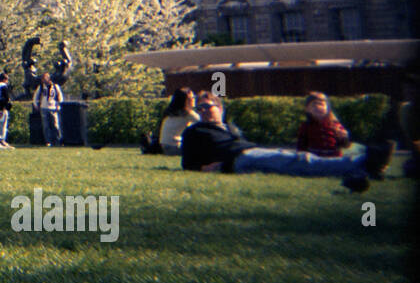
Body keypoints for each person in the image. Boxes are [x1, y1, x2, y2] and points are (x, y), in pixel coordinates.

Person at [181, 92, 391, 191]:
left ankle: (361, 172)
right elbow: (188, 164)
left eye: (208, 106)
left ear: (221, 108)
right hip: (238, 159)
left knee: (289, 162)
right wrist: (207, 167)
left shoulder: (231, 128)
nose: (204, 111)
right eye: (200, 108)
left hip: (251, 153)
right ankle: (363, 161)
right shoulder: (196, 131)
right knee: (297, 160)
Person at [141, 89, 199, 155]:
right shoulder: (188, 114)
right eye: (192, 98)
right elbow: (204, 123)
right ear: (186, 101)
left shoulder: (170, 112)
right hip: (174, 147)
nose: (194, 99)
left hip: (164, 147)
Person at [296, 92, 351, 157]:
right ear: (307, 109)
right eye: (313, 105)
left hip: (334, 157)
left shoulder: (335, 124)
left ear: (328, 108)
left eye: (321, 104)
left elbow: (345, 145)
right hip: (315, 158)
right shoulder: (306, 126)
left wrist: (344, 138)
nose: (318, 107)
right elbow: (301, 145)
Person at [33, 71, 63, 147]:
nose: (43, 80)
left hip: (53, 107)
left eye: (45, 78)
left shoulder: (55, 86)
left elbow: (60, 97)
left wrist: (59, 105)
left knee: (55, 125)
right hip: (44, 107)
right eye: (42, 78)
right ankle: (48, 141)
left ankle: (58, 140)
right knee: (46, 126)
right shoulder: (41, 87)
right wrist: (36, 104)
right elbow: (36, 96)